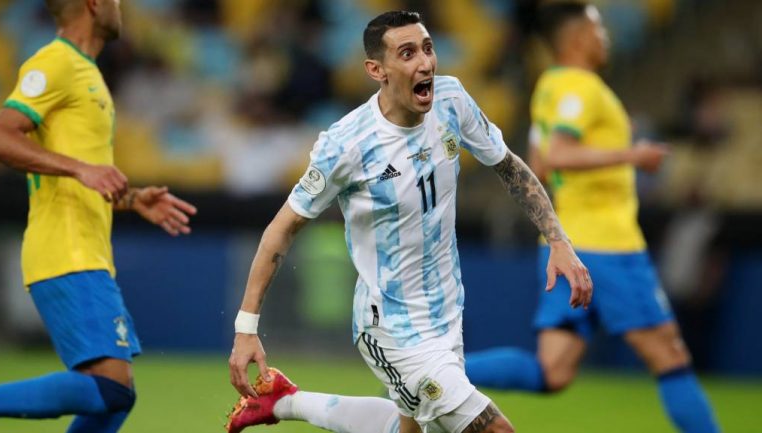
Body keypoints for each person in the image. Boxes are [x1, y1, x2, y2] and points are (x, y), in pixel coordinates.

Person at [226, 10, 592, 433]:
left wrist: (558, 240)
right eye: (407, 53)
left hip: (447, 313)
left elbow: (508, 166)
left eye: (427, 48)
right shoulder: (348, 144)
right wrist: (246, 328)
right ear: (376, 70)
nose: (425, 63)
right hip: (391, 328)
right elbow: (281, 229)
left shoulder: (451, 101)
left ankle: (283, 401)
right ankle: (285, 402)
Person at [464, 3, 721, 433]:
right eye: (598, 28)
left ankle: (431, 378)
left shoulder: (548, 87)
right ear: (578, 36)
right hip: (609, 245)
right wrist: (632, 154)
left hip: (564, 245)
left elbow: (539, 164)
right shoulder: (580, 88)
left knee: (553, 371)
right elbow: (559, 155)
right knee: (670, 356)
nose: (606, 37)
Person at [0, 1, 197, 432]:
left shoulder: (87, 73)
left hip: (85, 251)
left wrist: (132, 199)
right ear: (93, 4)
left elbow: (80, 175)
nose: (120, 9)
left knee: (114, 398)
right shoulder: (55, 62)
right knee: (111, 389)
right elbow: (0, 135)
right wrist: (81, 168)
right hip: (66, 250)